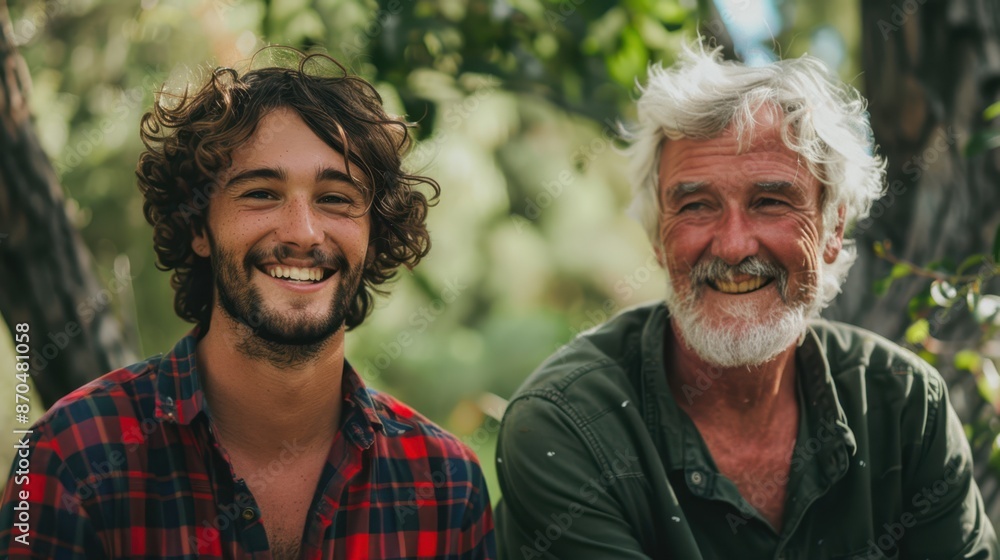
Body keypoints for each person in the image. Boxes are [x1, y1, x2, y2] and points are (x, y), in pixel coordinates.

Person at [495, 43, 998, 559]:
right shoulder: (566, 426)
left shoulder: (905, 406)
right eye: (696, 206)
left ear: (832, 226)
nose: (734, 246)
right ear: (656, 238)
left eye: (770, 202)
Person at [0, 49, 495, 560]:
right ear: (199, 228)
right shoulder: (69, 456)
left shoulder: (446, 487)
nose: (303, 232)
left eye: (336, 198)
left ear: (373, 235)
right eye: (261, 193)